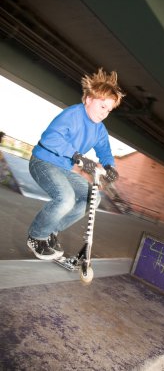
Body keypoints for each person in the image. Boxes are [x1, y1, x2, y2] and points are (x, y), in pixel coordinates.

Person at [27, 68, 125, 260]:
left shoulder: (99, 129)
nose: (104, 113)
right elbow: (51, 139)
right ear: (88, 99)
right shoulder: (72, 115)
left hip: (63, 169)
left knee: (92, 198)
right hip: (43, 162)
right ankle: (36, 236)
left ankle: (51, 231)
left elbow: (104, 150)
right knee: (66, 198)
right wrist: (78, 157)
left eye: (108, 110)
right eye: (102, 106)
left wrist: (110, 166)